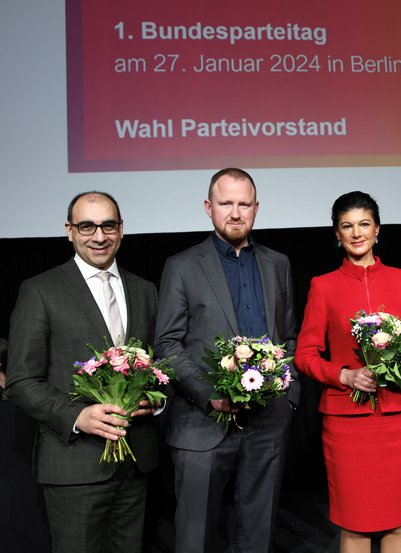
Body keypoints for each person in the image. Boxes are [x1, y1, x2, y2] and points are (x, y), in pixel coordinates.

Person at [5, 191, 159, 553]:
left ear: (121, 230)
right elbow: (21, 380)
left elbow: (158, 365)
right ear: (69, 231)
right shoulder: (40, 290)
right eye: (86, 225)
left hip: (136, 465)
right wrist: (78, 416)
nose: (99, 235)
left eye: (108, 225)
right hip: (73, 465)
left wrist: (156, 401)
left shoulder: (145, 290)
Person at [155, 168, 299, 553]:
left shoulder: (278, 263)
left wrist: (288, 396)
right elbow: (167, 344)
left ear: (256, 208)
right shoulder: (182, 265)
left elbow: (289, 338)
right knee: (195, 538)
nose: (235, 213)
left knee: (257, 535)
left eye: (244, 204)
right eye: (226, 203)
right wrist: (209, 395)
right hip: (202, 421)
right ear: (208, 207)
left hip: (267, 421)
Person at [294, 191, 401, 553]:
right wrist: (344, 376)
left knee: (398, 521)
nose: (356, 233)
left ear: (377, 230)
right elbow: (305, 355)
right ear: (336, 234)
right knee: (354, 526)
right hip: (347, 424)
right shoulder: (323, 286)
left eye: (364, 224)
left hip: (397, 420)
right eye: (347, 226)